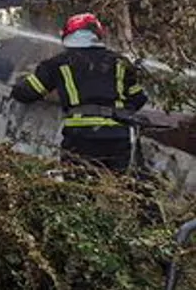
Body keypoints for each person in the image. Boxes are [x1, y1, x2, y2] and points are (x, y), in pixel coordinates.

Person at [10, 12, 147, 172]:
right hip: (117, 136)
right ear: (97, 35)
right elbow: (139, 99)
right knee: (117, 187)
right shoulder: (120, 62)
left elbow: (27, 93)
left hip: (81, 136)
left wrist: (18, 82)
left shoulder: (57, 64)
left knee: (80, 186)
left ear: (69, 35)